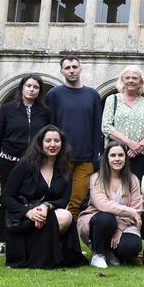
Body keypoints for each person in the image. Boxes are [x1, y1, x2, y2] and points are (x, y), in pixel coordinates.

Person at [0, 125, 87, 269]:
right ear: (40, 143)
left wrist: (45, 207)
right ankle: (34, 254)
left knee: (65, 215)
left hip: (44, 218)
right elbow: (6, 197)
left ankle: (45, 254)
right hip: (22, 220)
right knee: (59, 217)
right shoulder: (25, 165)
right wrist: (29, 212)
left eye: (56, 141)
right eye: (48, 141)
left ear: (62, 144)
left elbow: (63, 200)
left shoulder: (65, 170)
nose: (52, 144)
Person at [0, 74, 51, 257]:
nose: (32, 89)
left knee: (31, 198)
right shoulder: (7, 109)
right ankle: (2, 240)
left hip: (35, 162)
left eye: (36, 87)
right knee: (8, 199)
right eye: (28, 86)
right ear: (22, 88)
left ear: (39, 91)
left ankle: (28, 235)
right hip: (9, 162)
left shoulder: (45, 112)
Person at [46, 55, 103, 219]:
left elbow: (96, 126)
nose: (71, 70)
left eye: (74, 67)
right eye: (67, 68)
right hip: (61, 158)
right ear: (62, 71)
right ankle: (54, 239)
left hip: (85, 160)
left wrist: (95, 156)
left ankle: (70, 243)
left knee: (76, 202)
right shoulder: (54, 94)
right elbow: (50, 127)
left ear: (80, 68)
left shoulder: (92, 95)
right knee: (56, 199)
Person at [78, 141, 144, 268]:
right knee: (106, 218)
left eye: (121, 155)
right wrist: (130, 212)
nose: (117, 159)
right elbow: (103, 205)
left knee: (131, 247)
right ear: (106, 158)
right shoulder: (96, 178)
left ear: (126, 158)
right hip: (99, 221)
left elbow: (137, 207)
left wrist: (119, 228)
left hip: (125, 225)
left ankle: (111, 252)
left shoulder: (133, 180)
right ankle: (99, 254)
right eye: (113, 155)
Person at [102, 66, 144, 181]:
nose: (131, 80)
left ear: (141, 81)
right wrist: (130, 143)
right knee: (113, 186)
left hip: (139, 155)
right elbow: (106, 126)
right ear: (122, 80)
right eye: (127, 78)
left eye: (135, 78)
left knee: (135, 187)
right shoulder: (112, 99)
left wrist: (139, 147)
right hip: (116, 153)